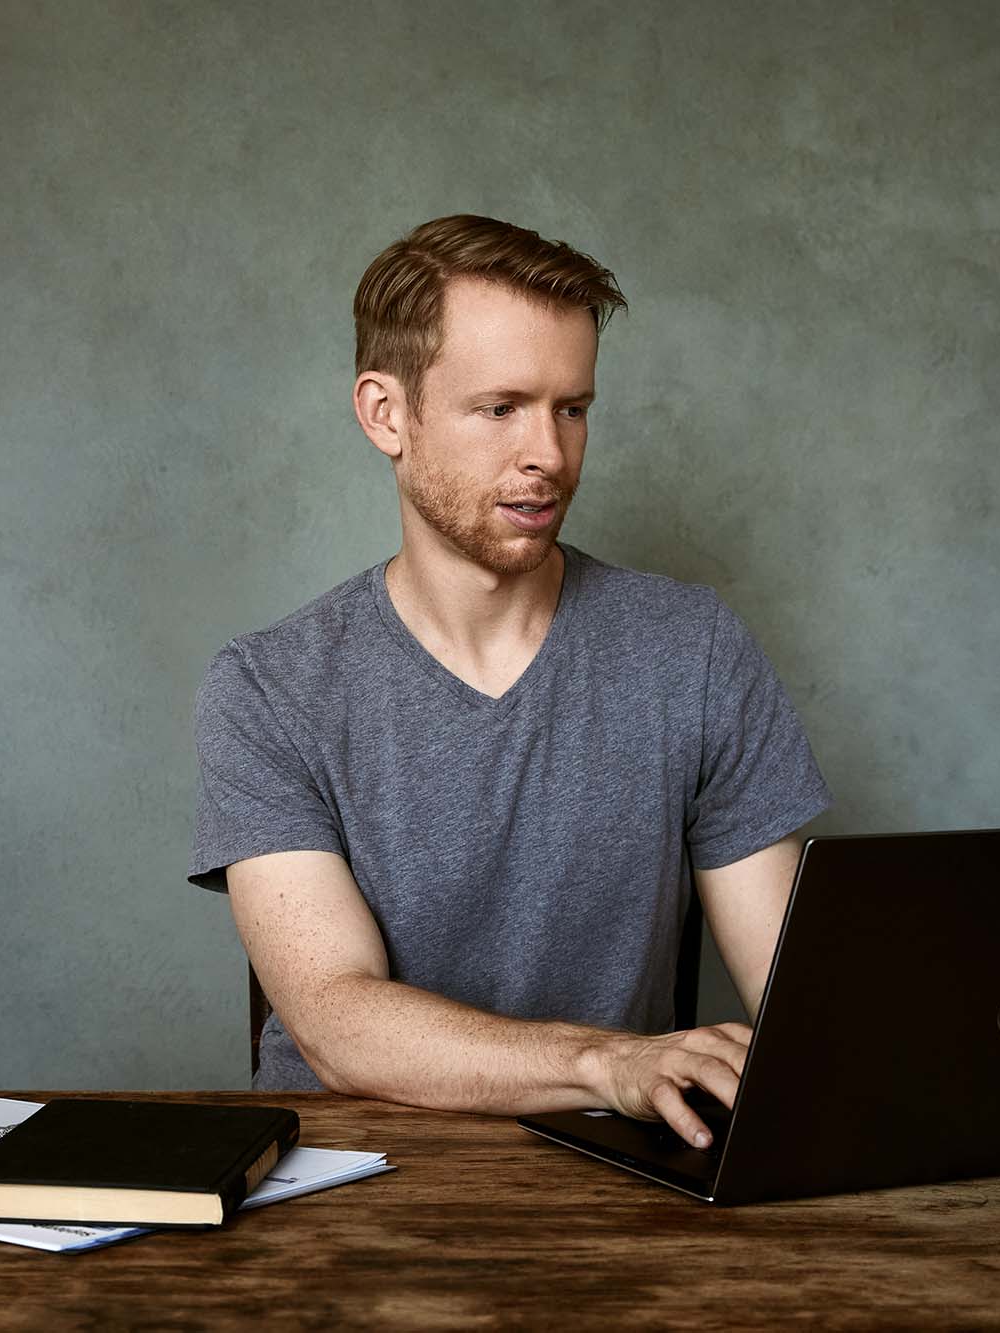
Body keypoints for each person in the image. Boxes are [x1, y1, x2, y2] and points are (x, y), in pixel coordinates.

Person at [187, 214, 831, 1149]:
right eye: (501, 408)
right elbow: (335, 1018)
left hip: (616, 1177)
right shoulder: (269, 686)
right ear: (385, 414)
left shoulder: (691, 649)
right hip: (345, 1187)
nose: (549, 455)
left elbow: (799, 996)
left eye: (572, 408)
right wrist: (606, 1063)